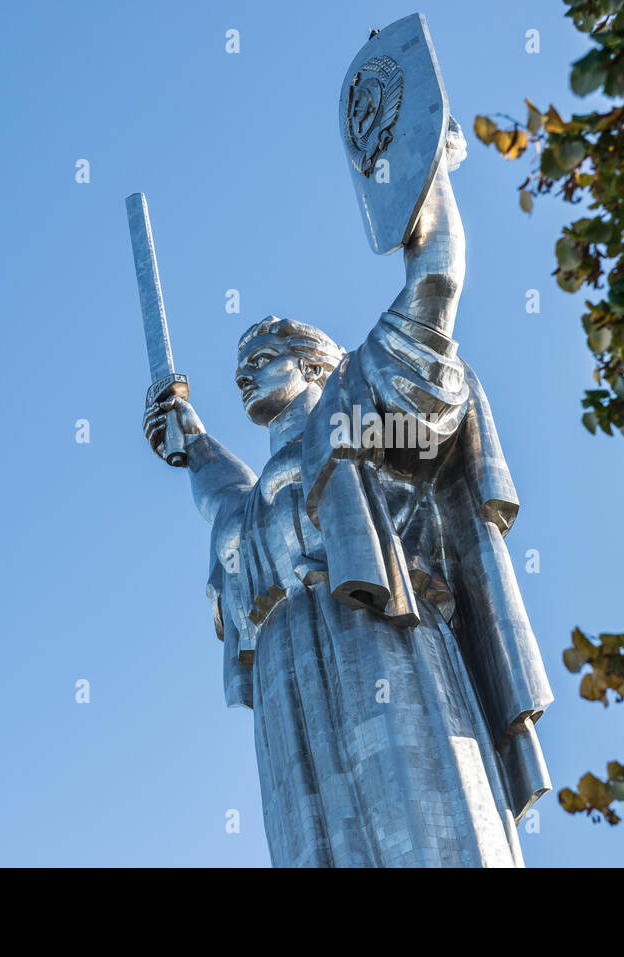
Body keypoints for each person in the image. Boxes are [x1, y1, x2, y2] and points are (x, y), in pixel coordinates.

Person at [142, 119, 552, 867]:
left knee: (422, 831)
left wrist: (428, 174)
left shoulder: (361, 403)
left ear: (313, 362)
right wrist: (188, 436)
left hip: (382, 631)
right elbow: (220, 490)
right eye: (240, 364)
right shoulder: (256, 499)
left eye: (262, 356)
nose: (244, 373)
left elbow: (435, 282)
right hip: (288, 672)